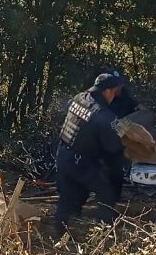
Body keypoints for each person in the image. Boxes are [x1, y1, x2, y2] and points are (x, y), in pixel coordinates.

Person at [54, 73, 128, 235]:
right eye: (114, 92)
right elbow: (112, 148)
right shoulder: (103, 114)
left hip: (63, 154)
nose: (114, 96)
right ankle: (102, 234)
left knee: (68, 196)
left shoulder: (79, 98)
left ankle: (58, 236)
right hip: (78, 161)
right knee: (106, 193)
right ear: (107, 91)